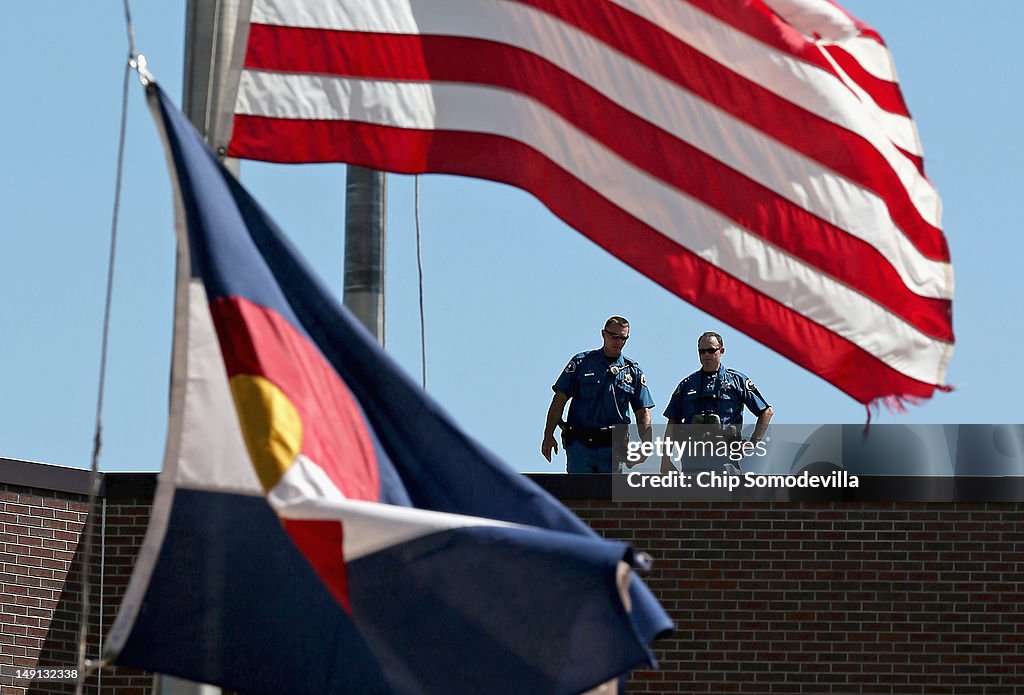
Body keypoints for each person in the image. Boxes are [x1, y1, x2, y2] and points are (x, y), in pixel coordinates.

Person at [541, 317, 654, 473]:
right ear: (603, 334)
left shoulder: (632, 371)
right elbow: (559, 399)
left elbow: (642, 411)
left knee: (609, 496)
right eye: (614, 336)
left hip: (614, 447)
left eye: (623, 338)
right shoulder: (582, 363)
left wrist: (646, 444)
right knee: (579, 493)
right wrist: (548, 434)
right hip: (581, 444)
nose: (618, 341)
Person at [662, 331, 773, 472]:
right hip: (692, 463)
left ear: (721, 351)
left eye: (711, 350)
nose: (706, 355)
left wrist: (752, 443)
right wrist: (665, 459)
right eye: (702, 351)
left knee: (727, 493)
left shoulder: (737, 381)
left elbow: (766, 412)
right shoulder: (687, 384)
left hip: (725, 464)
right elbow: (673, 422)